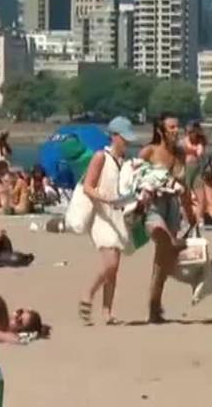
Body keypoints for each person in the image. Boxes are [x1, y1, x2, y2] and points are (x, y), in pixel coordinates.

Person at [79, 116, 136, 325]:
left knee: (114, 269)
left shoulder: (126, 162)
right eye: (124, 138)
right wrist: (106, 198)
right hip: (102, 215)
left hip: (119, 216)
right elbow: (88, 186)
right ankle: (88, 293)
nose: (127, 142)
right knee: (110, 263)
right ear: (114, 136)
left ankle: (107, 312)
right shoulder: (100, 157)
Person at [139, 113, 185, 323]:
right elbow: (132, 177)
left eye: (177, 127)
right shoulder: (149, 151)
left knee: (162, 263)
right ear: (161, 131)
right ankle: (170, 239)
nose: (176, 131)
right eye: (172, 127)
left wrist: (192, 217)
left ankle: (154, 305)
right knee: (162, 236)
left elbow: (183, 186)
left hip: (172, 205)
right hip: (154, 204)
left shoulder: (179, 154)